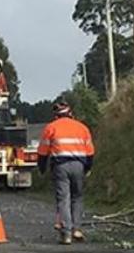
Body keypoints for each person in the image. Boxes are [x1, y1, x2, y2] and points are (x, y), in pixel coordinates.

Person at [37, 99, 95, 245]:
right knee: (77, 197)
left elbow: (43, 152)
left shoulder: (51, 128)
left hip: (60, 166)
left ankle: (66, 234)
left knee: (63, 199)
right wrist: (88, 168)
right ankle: (77, 229)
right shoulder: (82, 128)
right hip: (79, 165)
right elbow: (90, 152)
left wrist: (42, 169)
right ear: (71, 114)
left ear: (56, 116)